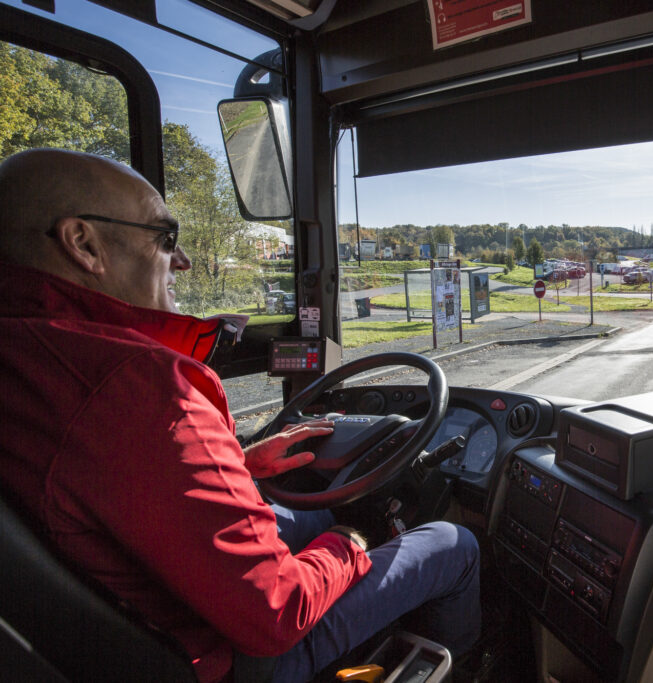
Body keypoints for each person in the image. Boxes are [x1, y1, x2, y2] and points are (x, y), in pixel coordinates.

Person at [0, 149, 479, 683]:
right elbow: (276, 613)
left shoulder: (33, 355)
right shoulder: (134, 387)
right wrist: (357, 536)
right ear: (84, 244)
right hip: (234, 656)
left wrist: (238, 463)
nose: (180, 261)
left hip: (146, 609)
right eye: (164, 238)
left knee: (313, 517)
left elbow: (120, 480)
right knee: (453, 544)